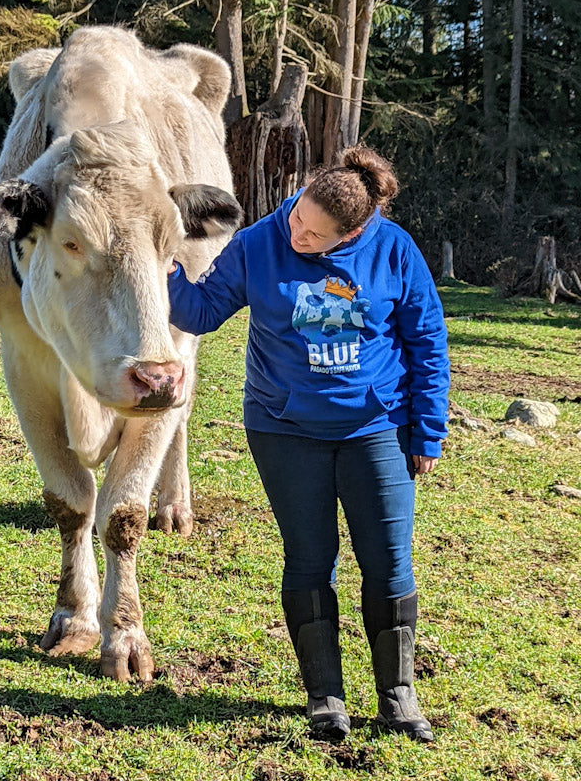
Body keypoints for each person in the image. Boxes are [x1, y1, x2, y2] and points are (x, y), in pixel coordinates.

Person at [167, 146, 450, 742]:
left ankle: (398, 696)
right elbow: (199, 311)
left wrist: (426, 430)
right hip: (284, 431)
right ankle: (325, 698)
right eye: (297, 216)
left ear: (354, 232)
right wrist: (160, 266)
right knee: (308, 558)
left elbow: (427, 342)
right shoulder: (260, 242)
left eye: (315, 235)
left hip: (377, 429)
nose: (296, 233)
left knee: (388, 560)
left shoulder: (394, 251)